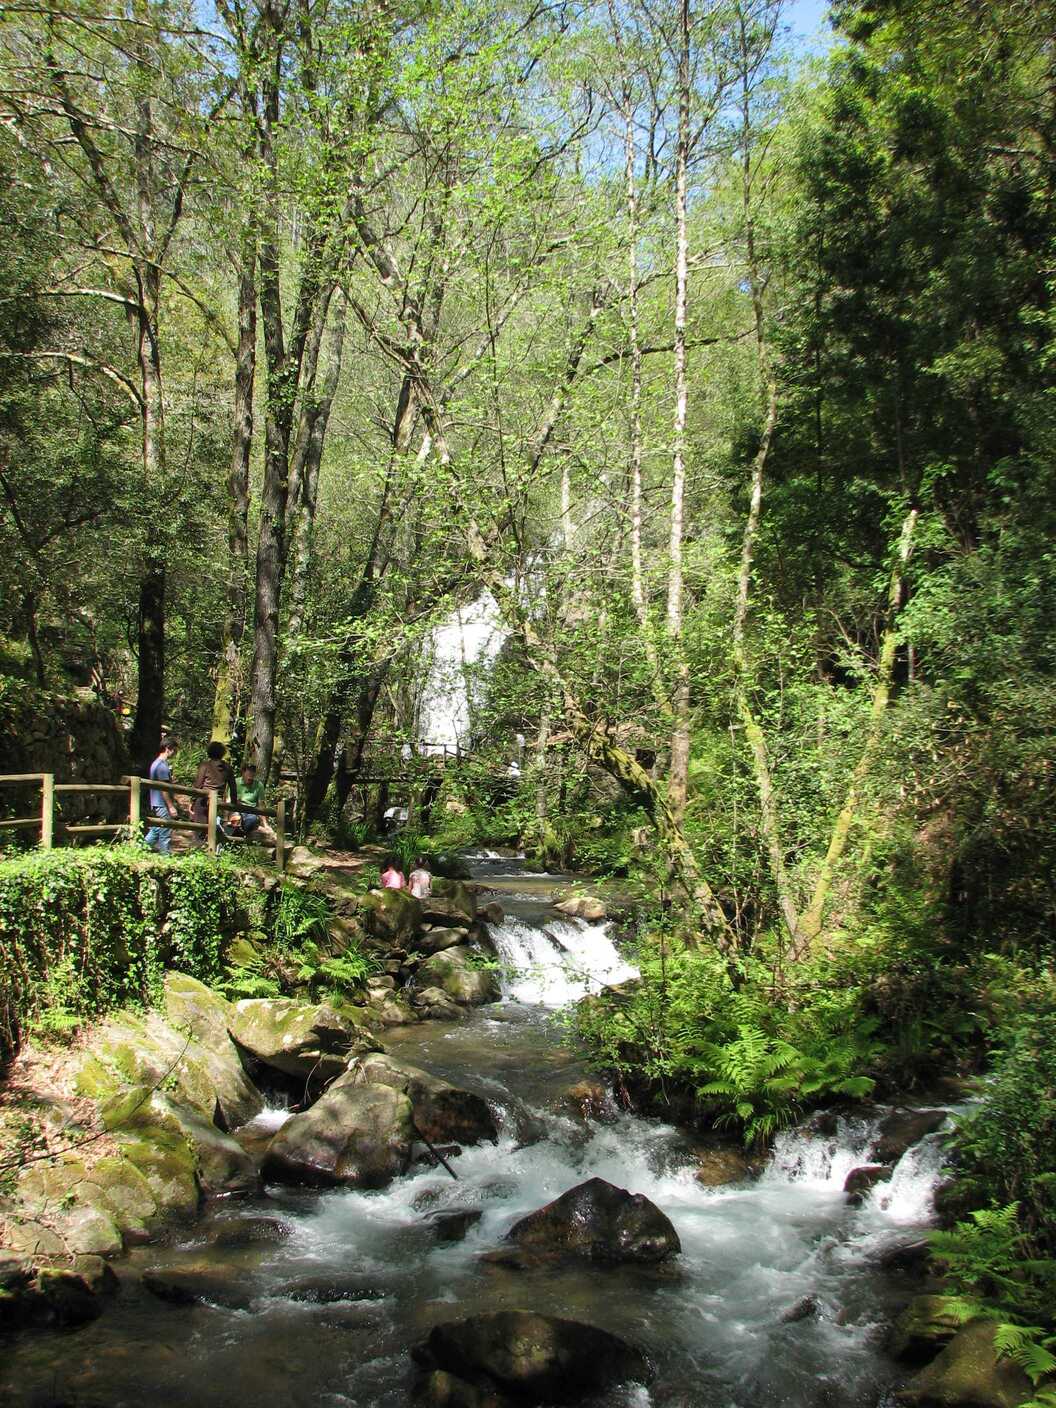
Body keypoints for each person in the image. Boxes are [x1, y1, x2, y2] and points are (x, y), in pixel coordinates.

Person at [192, 740, 237, 842]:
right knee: (212, 826)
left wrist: (193, 799)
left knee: (200, 827)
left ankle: (199, 849)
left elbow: (198, 784)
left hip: (203, 799)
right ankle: (210, 847)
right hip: (218, 801)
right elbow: (233, 788)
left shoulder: (205, 765)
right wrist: (233, 806)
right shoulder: (228, 768)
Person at [144, 737, 179, 853]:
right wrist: (171, 806)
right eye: (174, 750)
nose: (174, 753)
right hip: (161, 803)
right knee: (165, 831)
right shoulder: (162, 766)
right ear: (168, 749)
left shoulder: (155, 764)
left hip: (155, 802)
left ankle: (140, 849)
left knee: (156, 830)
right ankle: (166, 857)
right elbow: (164, 789)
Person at [235, 762, 264, 838]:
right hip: (237, 811)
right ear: (243, 772)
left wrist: (264, 823)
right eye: (249, 772)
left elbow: (261, 805)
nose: (251, 775)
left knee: (252, 819)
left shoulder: (259, 785)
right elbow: (228, 800)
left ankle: (241, 834)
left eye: (253, 772)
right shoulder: (235, 782)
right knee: (235, 818)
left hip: (251, 813)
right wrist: (226, 818)